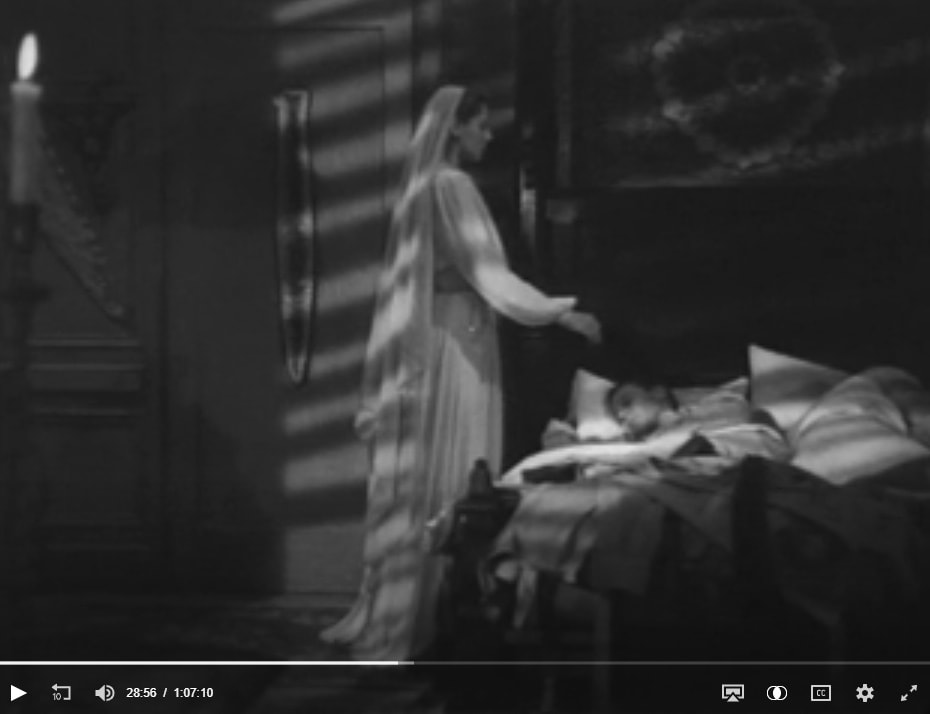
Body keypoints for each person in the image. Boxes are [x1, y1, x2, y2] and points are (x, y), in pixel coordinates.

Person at [319, 85, 602, 660]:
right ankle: (439, 610)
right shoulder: (451, 185)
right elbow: (486, 272)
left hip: (452, 328)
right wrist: (561, 313)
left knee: (444, 465)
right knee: (458, 467)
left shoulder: (430, 186)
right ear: (455, 127)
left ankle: (431, 606)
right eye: (481, 125)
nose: (488, 136)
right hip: (457, 338)